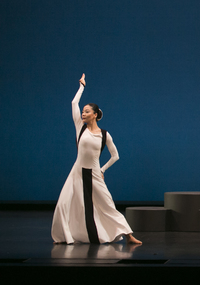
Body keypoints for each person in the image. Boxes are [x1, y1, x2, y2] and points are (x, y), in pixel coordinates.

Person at [51, 74, 141, 244]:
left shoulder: (104, 135)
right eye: (82, 112)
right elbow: (73, 103)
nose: (83, 114)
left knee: (107, 204)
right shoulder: (80, 127)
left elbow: (116, 156)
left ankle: (128, 235)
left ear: (94, 115)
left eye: (86, 112)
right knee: (64, 204)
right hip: (77, 172)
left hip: (93, 173)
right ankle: (64, 235)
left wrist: (102, 169)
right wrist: (82, 87)